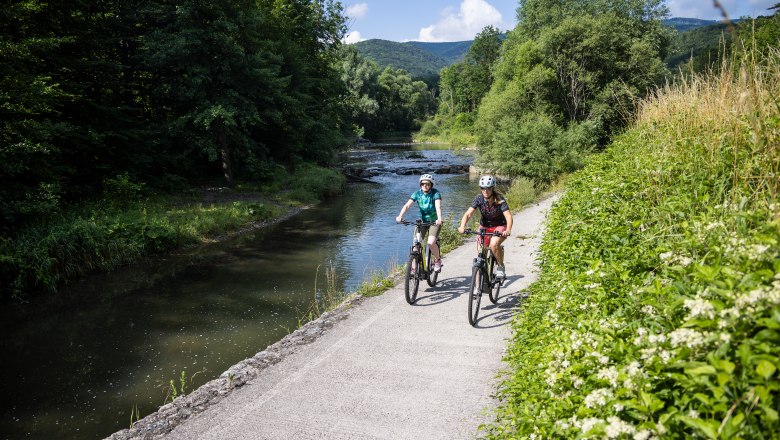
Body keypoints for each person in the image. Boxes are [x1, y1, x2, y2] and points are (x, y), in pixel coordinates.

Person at [457, 175, 512, 278]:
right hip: (484, 226)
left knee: (494, 244)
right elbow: (468, 214)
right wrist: (462, 226)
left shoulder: (499, 199)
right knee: (481, 252)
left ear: (492, 188)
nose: (485, 191)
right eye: (483, 188)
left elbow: (508, 216)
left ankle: (501, 266)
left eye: (488, 188)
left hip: (499, 226)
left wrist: (508, 230)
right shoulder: (479, 198)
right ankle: (479, 284)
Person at [396, 173, 443, 272]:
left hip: (434, 222)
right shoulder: (417, 194)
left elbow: (438, 206)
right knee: (415, 245)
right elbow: (407, 205)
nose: (425, 186)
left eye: (427, 184)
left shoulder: (435, 193)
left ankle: (437, 260)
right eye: (422, 184)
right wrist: (400, 216)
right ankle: (414, 268)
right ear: (420, 184)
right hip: (421, 222)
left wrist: (439, 219)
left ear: (431, 185)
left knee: (430, 243)